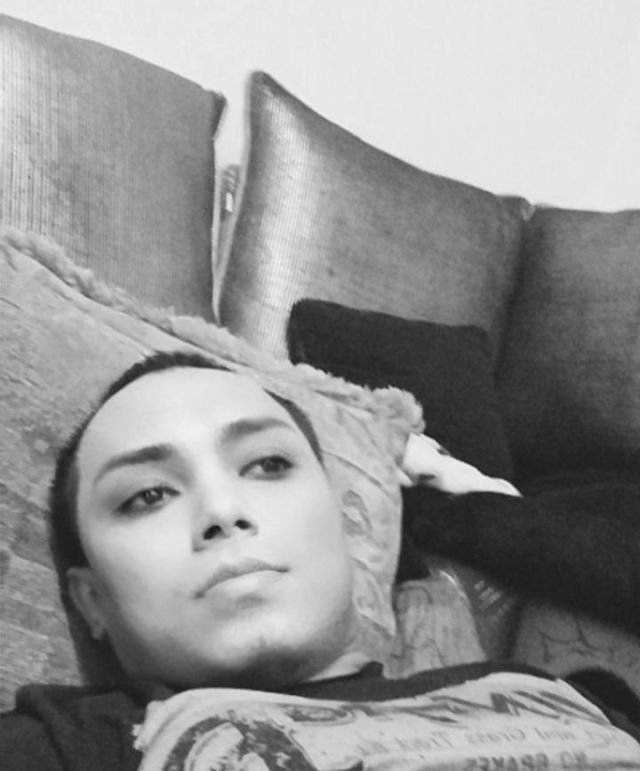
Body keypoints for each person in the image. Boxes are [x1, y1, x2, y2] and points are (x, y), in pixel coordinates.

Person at [3, 351, 640, 770]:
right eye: (148, 496)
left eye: (267, 464)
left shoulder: (565, 696)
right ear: (91, 601)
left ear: (344, 524)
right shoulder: (68, 746)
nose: (223, 510)